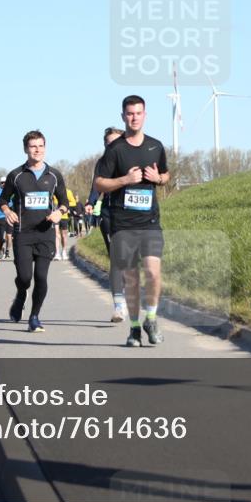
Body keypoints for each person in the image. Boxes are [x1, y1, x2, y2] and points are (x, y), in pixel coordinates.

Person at [95, 98, 169, 346]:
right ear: (123, 116)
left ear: (145, 114)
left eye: (138, 113)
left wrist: (159, 178)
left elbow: (167, 175)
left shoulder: (156, 146)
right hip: (123, 225)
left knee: (153, 273)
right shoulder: (115, 149)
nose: (134, 118)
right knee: (133, 279)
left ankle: (151, 318)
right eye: (129, 114)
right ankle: (135, 328)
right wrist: (125, 180)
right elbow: (100, 183)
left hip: (149, 222)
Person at [0, 130, 69, 333]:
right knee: (24, 277)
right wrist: (7, 211)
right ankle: (21, 294)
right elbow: (3, 199)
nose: (37, 150)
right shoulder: (16, 175)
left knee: (41, 277)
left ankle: (34, 316)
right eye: (33, 146)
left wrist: (59, 212)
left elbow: (64, 201)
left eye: (41, 146)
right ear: (25, 149)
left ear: (45, 148)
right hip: (23, 233)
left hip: (46, 233)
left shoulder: (54, 175)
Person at [86, 127, 126, 322]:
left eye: (116, 142)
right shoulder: (102, 164)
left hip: (133, 215)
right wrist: (90, 203)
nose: (113, 146)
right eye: (109, 143)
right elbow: (96, 186)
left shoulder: (134, 160)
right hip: (110, 214)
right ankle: (119, 305)